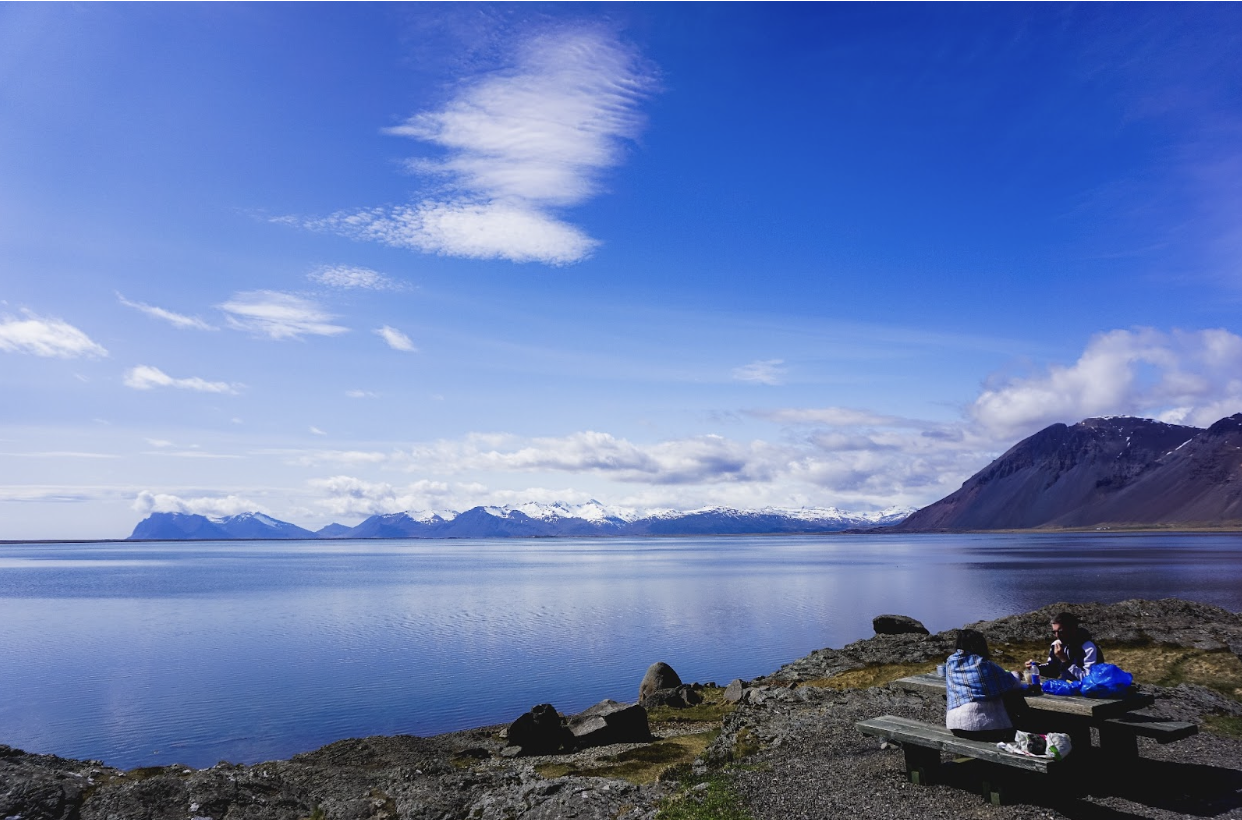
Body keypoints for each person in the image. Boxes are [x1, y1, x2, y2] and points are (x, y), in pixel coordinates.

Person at [945, 628, 1029, 742]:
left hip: (955, 726)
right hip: (982, 727)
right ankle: (1033, 729)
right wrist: (1016, 674)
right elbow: (1012, 683)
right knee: (1011, 696)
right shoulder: (983, 664)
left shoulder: (950, 663)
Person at [1029, 612, 1103, 682]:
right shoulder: (1057, 645)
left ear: (1073, 629)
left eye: (1061, 632)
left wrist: (1065, 660)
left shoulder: (1088, 648)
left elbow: (1088, 679)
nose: (1057, 635)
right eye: (1054, 632)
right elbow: (1053, 671)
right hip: (1067, 687)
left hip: (1087, 691)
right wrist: (1035, 667)